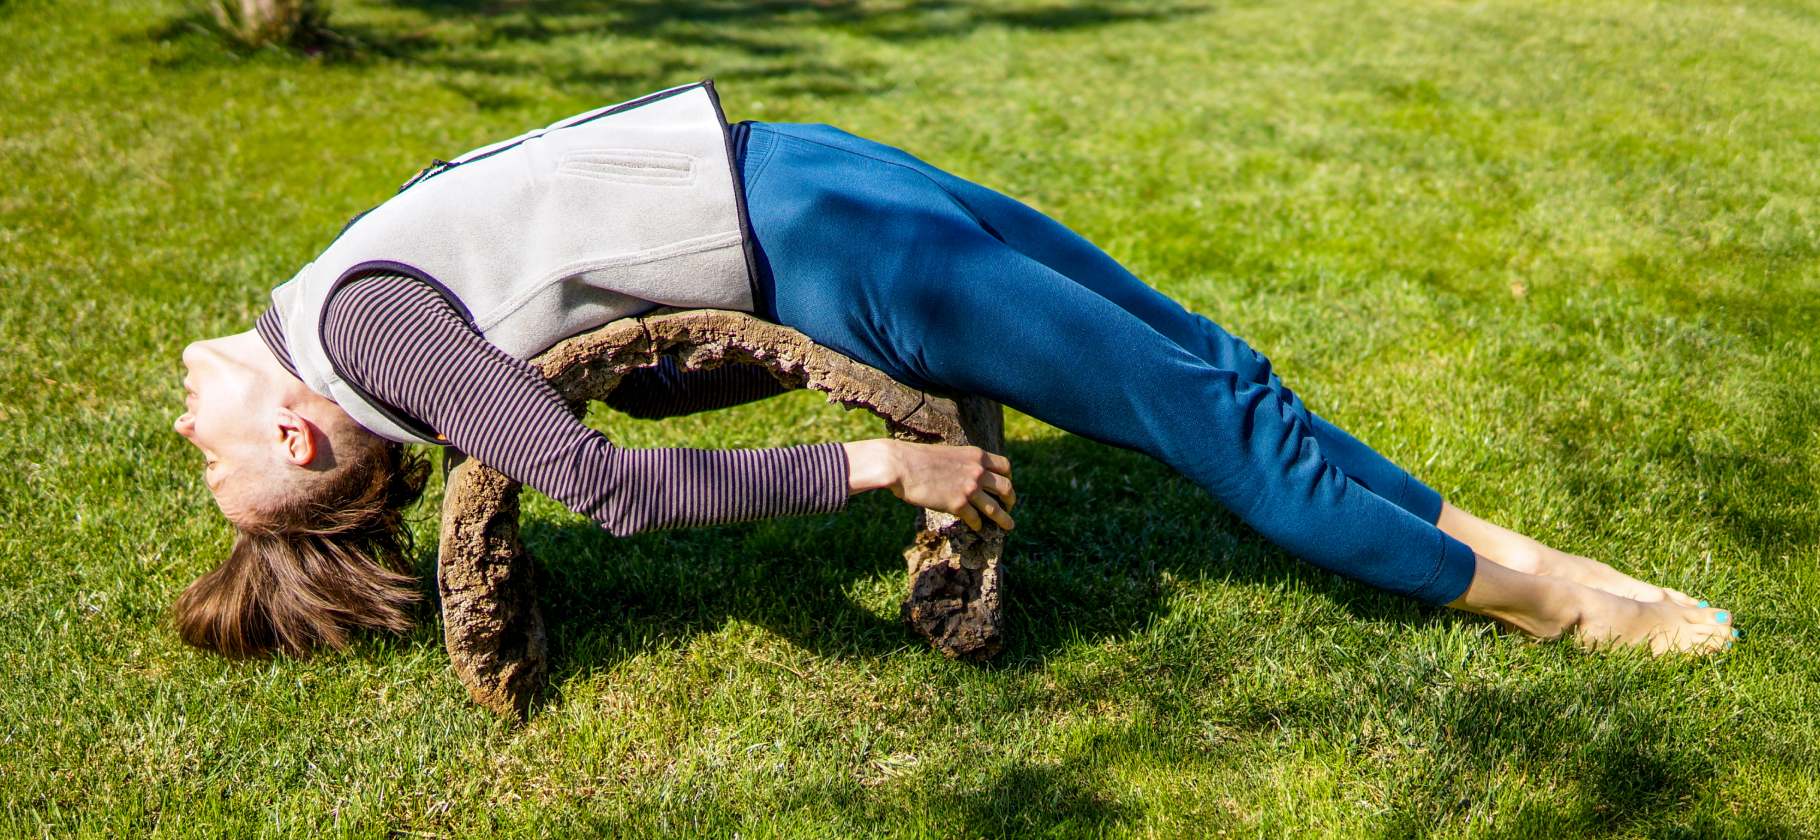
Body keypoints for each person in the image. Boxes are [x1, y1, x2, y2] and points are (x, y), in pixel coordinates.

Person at [172, 81, 1737, 659]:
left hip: (813, 171)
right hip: (851, 257)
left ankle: (1491, 542)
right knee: (1208, 419)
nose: (192, 422)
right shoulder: (369, 351)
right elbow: (593, 485)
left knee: (1210, 360)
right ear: (305, 442)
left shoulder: (326, 325)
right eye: (215, 462)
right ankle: (1557, 600)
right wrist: (882, 463)